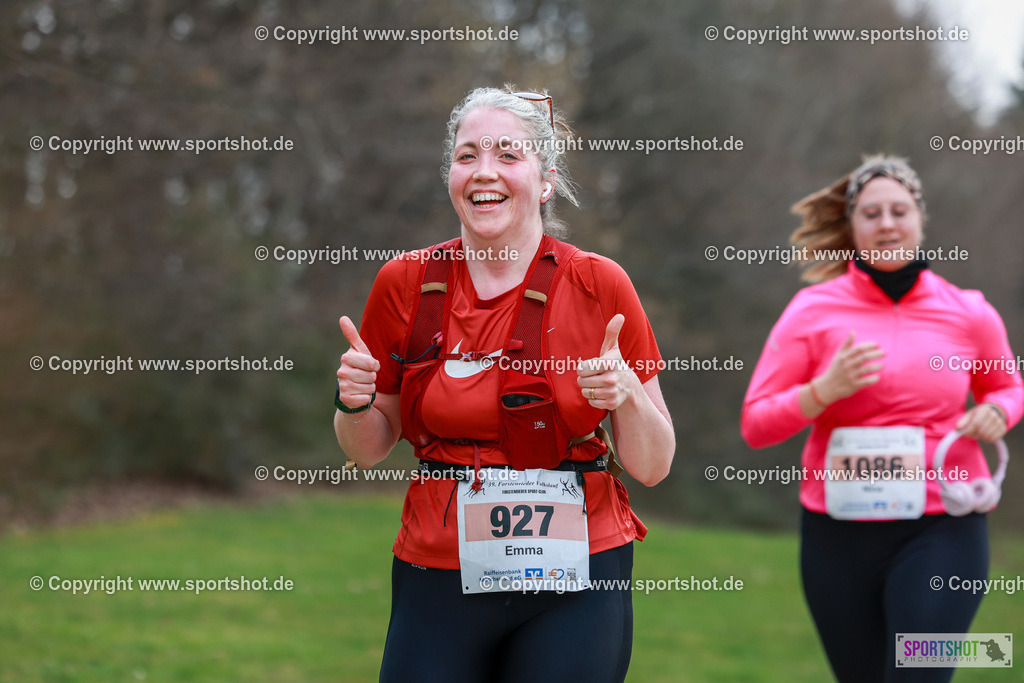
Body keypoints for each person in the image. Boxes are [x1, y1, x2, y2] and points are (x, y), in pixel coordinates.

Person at [334, 85, 674, 683]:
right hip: (437, 570)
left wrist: (624, 394)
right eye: (467, 156)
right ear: (450, 175)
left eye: (507, 155)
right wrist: (354, 402)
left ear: (544, 180)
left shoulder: (600, 284)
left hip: (578, 573)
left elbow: (652, 465)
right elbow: (366, 449)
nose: (483, 171)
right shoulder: (404, 283)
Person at [741, 155, 1023, 682]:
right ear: (852, 227)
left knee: (918, 673)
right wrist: (822, 391)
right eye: (871, 213)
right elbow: (757, 424)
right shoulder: (811, 310)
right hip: (838, 533)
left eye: (899, 210)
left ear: (921, 218)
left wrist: (995, 411)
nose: (887, 223)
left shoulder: (969, 311)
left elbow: (1008, 385)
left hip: (945, 526)